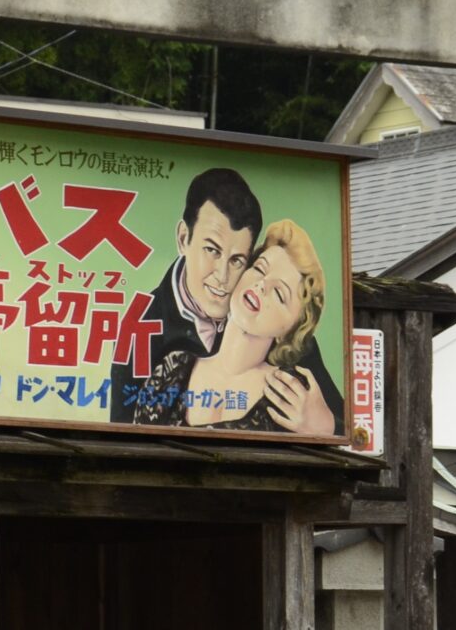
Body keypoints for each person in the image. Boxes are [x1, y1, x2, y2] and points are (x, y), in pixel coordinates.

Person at [125, 219, 344, 437]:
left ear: (289, 330)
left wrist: (327, 428)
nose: (262, 285)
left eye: (279, 293)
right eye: (259, 269)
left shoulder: (290, 394)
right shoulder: (174, 367)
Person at [107, 167, 262, 424]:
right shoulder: (140, 328)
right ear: (183, 238)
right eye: (212, 250)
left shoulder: (267, 312)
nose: (222, 276)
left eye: (236, 260)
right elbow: (122, 439)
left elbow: (338, 422)